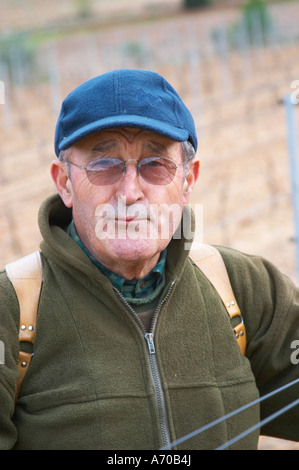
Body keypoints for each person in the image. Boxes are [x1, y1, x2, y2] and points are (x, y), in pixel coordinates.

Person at [0, 68, 299, 451]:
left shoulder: (244, 288)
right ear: (64, 183)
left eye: (155, 165)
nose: (129, 192)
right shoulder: (13, 310)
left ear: (188, 181)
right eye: (104, 164)